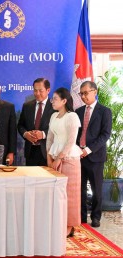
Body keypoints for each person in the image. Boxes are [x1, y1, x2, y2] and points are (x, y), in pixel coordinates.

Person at [46, 87, 82, 237]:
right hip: (53, 156)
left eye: (55, 98)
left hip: (69, 158)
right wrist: (49, 157)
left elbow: (71, 140)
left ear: (64, 101)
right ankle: (58, 222)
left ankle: (70, 225)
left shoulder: (72, 116)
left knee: (70, 194)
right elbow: (49, 138)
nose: (52, 101)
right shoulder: (53, 116)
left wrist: (60, 158)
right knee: (56, 193)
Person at [76, 81, 112, 228]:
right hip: (79, 156)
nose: (83, 96)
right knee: (80, 188)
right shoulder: (78, 112)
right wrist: (77, 149)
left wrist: (88, 150)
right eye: (81, 94)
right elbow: (76, 134)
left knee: (97, 189)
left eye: (86, 93)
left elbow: (105, 135)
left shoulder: (104, 111)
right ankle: (82, 216)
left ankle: (96, 217)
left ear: (95, 91)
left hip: (95, 156)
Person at [18, 78, 55, 166]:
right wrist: (25, 134)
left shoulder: (54, 107)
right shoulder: (27, 106)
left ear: (48, 90)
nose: (37, 93)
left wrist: (43, 134)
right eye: (35, 90)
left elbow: (59, 129)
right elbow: (20, 125)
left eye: (40, 90)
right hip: (30, 152)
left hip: (48, 152)